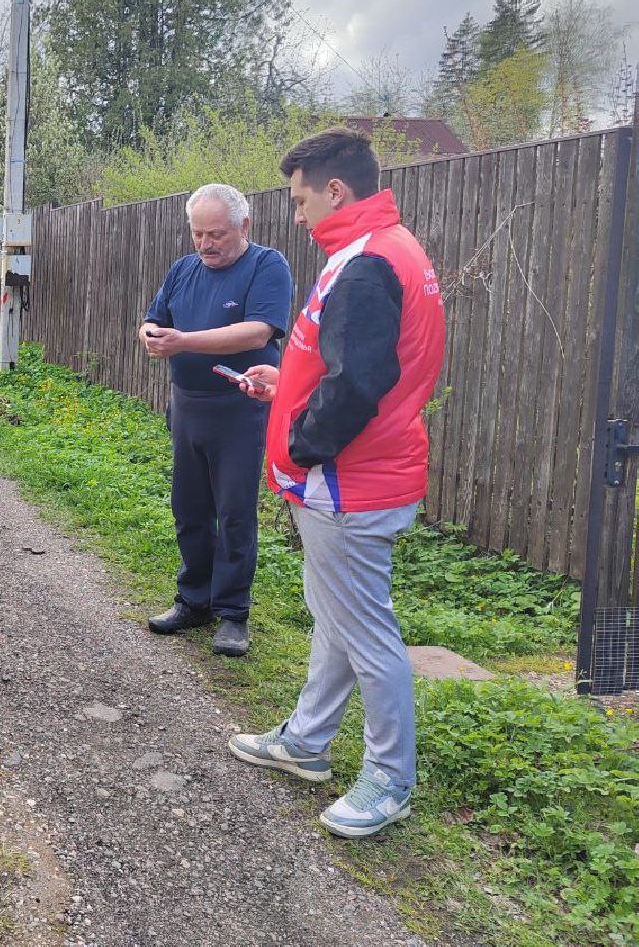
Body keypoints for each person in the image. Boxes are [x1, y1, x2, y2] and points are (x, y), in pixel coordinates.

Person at [227, 128, 444, 838]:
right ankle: (307, 742)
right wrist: (283, 385)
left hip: (349, 482)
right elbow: (345, 363)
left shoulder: (366, 263)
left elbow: (361, 384)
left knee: (366, 633)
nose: (296, 215)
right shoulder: (384, 250)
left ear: (336, 190)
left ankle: (390, 780)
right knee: (337, 617)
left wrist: (298, 443)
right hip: (359, 473)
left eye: (300, 199)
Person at [140, 183, 294, 657]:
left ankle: (232, 613)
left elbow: (257, 330)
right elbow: (152, 317)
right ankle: (194, 599)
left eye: (217, 234)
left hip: (239, 409)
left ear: (243, 227)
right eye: (198, 233)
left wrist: (182, 340)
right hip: (187, 403)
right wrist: (149, 333)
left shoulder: (268, 266)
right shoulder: (184, 269)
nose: (206, 244)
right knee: (188, 508)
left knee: (234, 512)